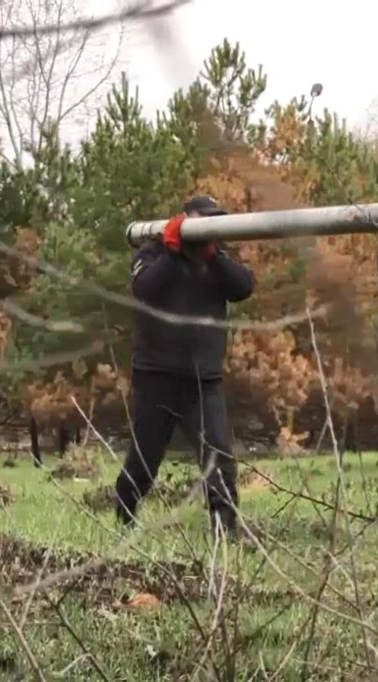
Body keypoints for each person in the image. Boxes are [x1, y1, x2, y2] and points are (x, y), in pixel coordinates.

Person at [114, 195, 255, 539]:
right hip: (156, 376)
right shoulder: (153, 250)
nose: (210, 226)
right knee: (145, 459)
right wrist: (174, 251)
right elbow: (145, 289)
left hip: (202, 379)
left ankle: (226, 530)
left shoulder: (217, 258)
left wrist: (211, 256)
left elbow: (243, 287)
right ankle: (124, 513)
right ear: (186, 218)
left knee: (218, 454)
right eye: (204, 219)